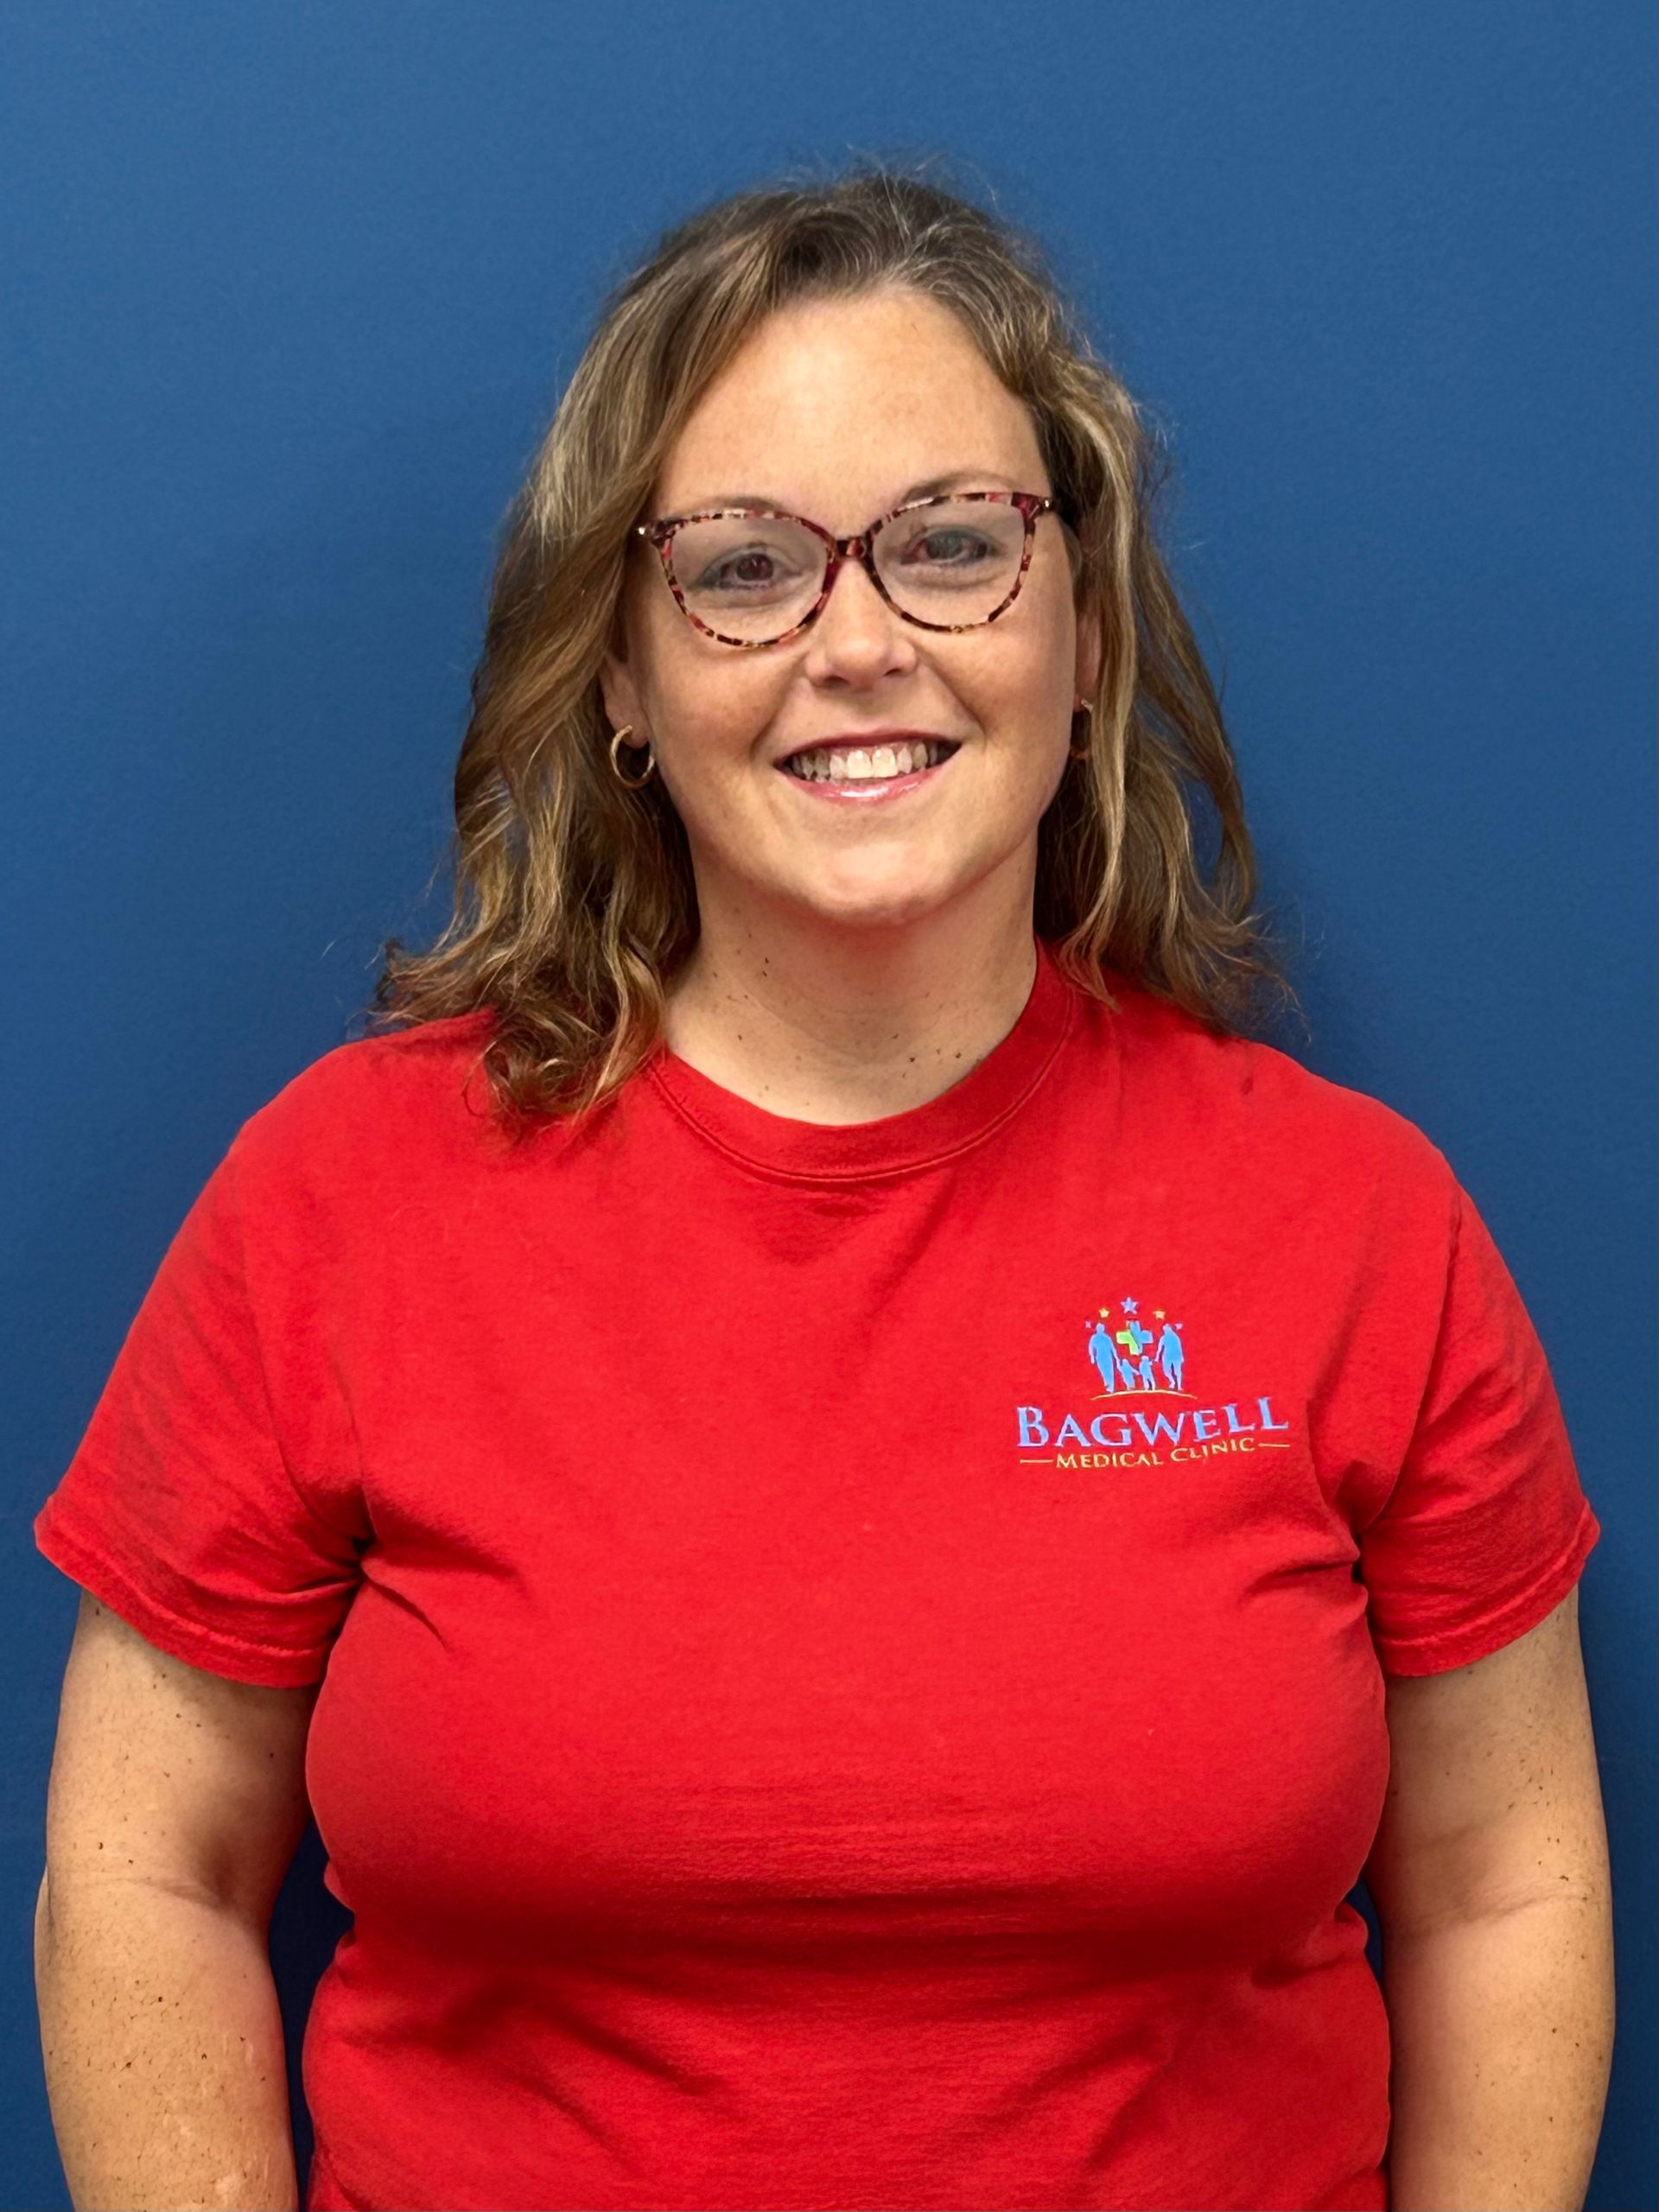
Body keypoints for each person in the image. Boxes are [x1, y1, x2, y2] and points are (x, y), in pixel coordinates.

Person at [32, 165, 1613, 2212]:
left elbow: (1509, 1881)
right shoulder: (339, 1199)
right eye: (745, 569)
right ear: (618, 675)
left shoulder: (1356, 1225)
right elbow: (142, 1863)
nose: (858, 643)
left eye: (956, 544)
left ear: (1083, 629)